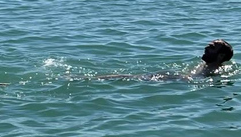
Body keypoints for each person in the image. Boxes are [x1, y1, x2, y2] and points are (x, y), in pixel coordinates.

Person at [97, 39, 234, 81]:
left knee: (131, 77)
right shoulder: (206, 64)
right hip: (175, 77)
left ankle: (95, 78)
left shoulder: (215, 70)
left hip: (176, 80)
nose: (206, 47)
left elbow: (196, 80)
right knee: (132, 76)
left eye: (212, 47)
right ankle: (99, 78)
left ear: (221, 56)